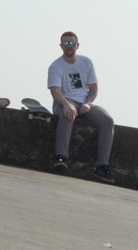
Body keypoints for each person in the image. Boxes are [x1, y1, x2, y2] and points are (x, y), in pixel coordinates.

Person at [46, 30, 114, 180]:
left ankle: (102, 166)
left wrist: (88, 103)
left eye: (71, 43)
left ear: (77, 45)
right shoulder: (56, 66)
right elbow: (55, 91)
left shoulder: (86, 62)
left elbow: (94, 88)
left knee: (107, 120)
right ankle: (61, 157)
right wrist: (66, 104)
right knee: (68, 114)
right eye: (65, 43)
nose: (69, 46)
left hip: (84, 101)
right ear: (61, 46)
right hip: (64, 100)